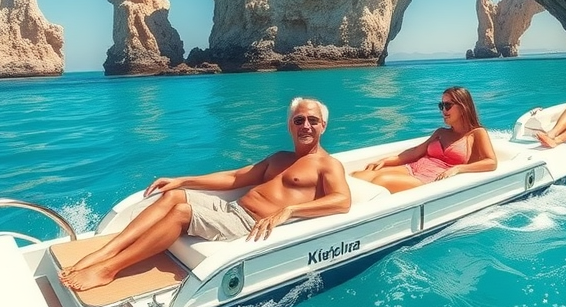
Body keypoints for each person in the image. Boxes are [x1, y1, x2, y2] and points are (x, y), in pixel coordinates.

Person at [60, 97, 351, 292]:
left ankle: (109, 269)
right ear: (290, 125)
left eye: (312, 120)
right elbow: (235, 177)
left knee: (181, 213)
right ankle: (106, 251)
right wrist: (182, 180)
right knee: (174, 197)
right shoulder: (279, 157)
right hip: (234, 209)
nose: (306, 126)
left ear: (323, 126)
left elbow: (342, 201)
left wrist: (289, 211)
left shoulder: (328, 164)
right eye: (299, 120)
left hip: (250, 225)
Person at [351, 86, 497, 193]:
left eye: (448, 105)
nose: (443, 110)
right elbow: (415, 152)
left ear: (464, 107)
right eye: (441, 105)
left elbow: (491, 162)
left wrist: (458, 169)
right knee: (360, 175)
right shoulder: (440, 132)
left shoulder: (477, 133)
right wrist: (385, 161)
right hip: (413, 168)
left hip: (431, 178)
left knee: (381, 181)